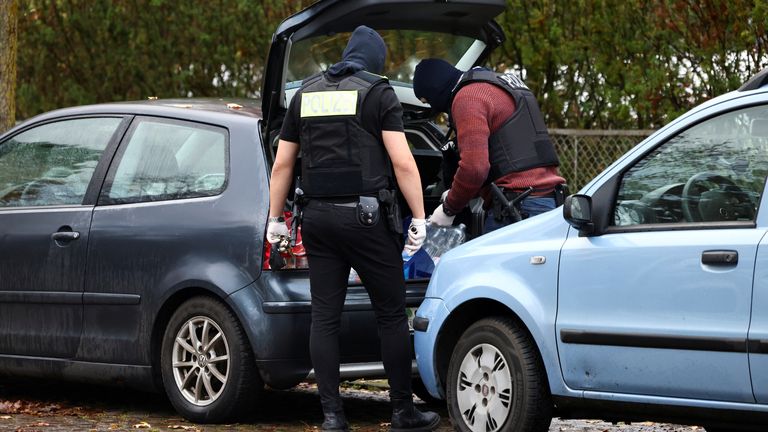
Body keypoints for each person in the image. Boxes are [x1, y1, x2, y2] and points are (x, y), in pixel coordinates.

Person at [267, 26, 440, 432]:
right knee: (391, 315)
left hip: (318, 221)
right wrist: (418, 217)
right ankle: (402, 413)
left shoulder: (304, 94)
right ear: (374, 60)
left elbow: (282, 165)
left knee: (324, 317)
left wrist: (276, 219)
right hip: (366, 221)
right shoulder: (378, 92)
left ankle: (331, 417)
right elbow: (402, 163)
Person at [413, 58, 566, 234]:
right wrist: (458, 192)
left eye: (427, 100)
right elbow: (507, 158)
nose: (432, 106)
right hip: (550, 203)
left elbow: (475, 169)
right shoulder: (502, 84)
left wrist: (448, 209)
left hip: (516, 210)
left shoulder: (467, 97)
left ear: (434, 89)